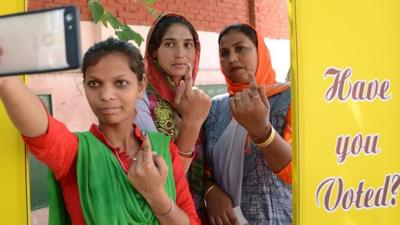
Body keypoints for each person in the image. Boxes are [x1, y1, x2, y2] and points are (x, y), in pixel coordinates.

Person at [0, 38, 200, 225]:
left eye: (120, 83)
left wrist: (156, 195)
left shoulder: (164, 149)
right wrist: (6, 80)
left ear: (141, 85)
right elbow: (42, 131)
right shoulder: (77, 153)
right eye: (94, 84)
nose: (106, 95)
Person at [202, 24, 292, 225]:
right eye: (224, 53)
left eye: (240, 48)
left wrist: (263, 132)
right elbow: (200, 169)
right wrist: (210, 191)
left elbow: (298, 172)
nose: (232, 58)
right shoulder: (215, 108)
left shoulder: (290, 99)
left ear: (260, 51)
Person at [134, 14, 211, 212]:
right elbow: (158, 173)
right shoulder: (139, 99)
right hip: (157, 211)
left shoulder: (196, 99)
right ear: (153, 52)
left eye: (188, 45)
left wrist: (212, 190)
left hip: (194, 210)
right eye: (169, 44)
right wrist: (191, 123)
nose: (180, 53)